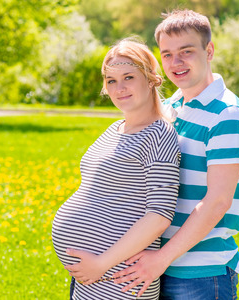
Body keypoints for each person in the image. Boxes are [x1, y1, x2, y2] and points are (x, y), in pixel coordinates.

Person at [112, 9, 239, 299]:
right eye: (166, 54)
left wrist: (161, 258)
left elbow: (217, 202)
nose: (175, 63)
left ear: (209, 50)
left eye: (186, 51)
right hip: (159, 265)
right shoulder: (174, 104)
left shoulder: (227, 113)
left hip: (201, 274)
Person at [51, 37, 181, 299]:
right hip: (94, 277)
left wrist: (102, 263)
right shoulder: (115, 129)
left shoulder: (159, 134)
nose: (119, 88)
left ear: (151, 79)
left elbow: (159, 215)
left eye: (128, 77)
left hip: (120, 279)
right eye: (111, 80)